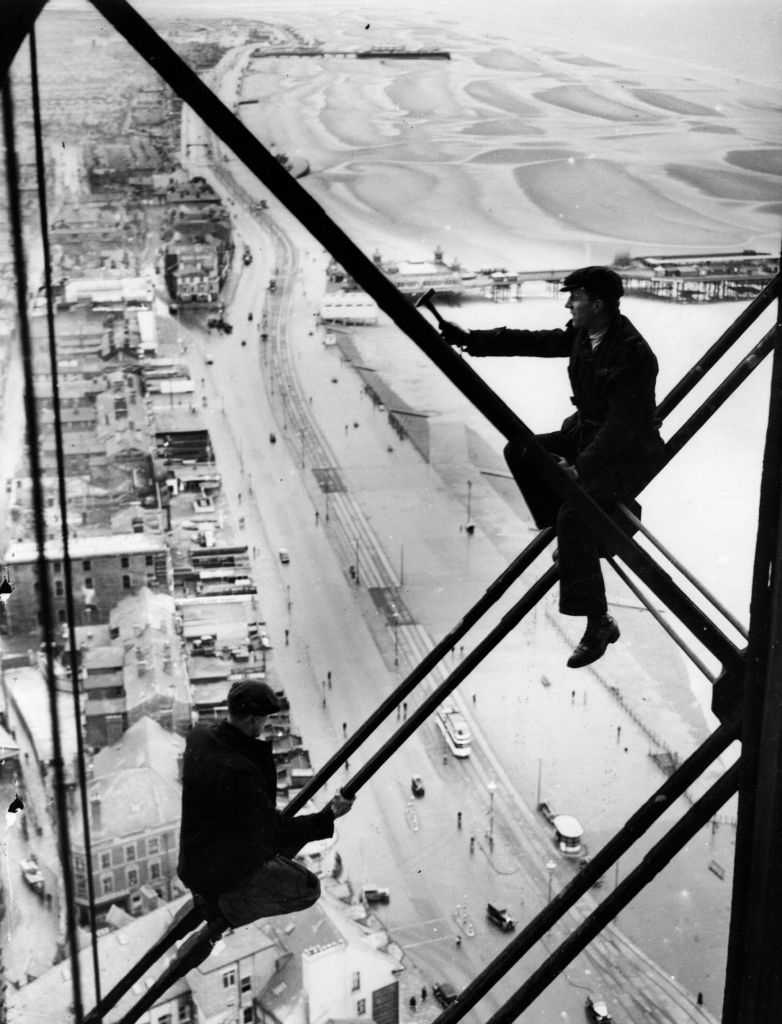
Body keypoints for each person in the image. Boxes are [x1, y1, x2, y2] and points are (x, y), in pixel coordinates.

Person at [440, 266, 664, 668]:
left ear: (596, 305)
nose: (567, 304)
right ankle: (572, 540)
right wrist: (472, 340)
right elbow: (536, 341)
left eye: (574, 298)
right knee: (522, 451)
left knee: (577, 512)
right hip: (588, 436)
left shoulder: (633, 353)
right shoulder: (586, 333)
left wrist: (578, 470)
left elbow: (621, 428)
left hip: (629, 453)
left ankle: (599, 622)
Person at [178, 681, 354, 927]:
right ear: (252, 720)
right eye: (264, 719)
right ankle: (224, 909)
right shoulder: (240, 772)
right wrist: (330, 815)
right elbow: (273, 832)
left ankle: (220, 899)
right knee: (308, 889)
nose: (265, 725)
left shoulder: (199, 735)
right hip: (221, 871)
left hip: (196, 860)